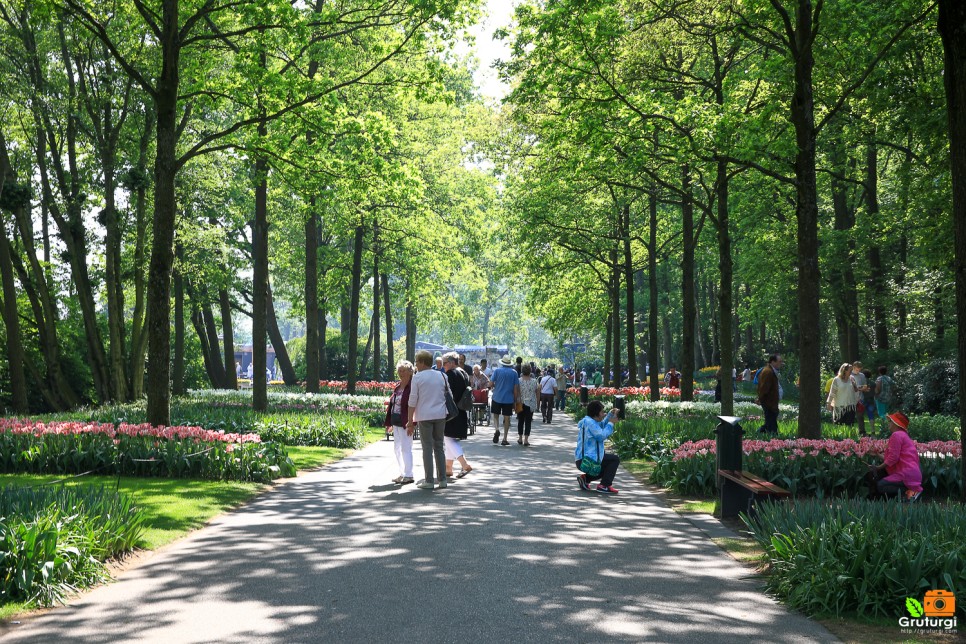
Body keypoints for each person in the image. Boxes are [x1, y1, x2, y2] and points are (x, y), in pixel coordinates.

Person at [407, 350, 449, 490]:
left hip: (424, 416)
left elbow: (412, 400)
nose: (416, 364)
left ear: (423, 362)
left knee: (427, 448)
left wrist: (409, 421)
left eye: (417, 361)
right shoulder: (442, 375)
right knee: (439, 447)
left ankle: (429, 480)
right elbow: (448, 394)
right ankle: (442, 479)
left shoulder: (417, 378)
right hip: (440, 414)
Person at [870, 411, 922, 502]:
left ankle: (912, 492)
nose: (888, 423)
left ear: (896, 423)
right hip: (911, 473)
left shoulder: (896, 435)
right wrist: (878, 455)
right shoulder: (904, 435)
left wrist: (877, 468)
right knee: (882, 484)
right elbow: (892, 458)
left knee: (881, 486)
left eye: (890, 421)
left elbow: (893, 459)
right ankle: (910, 493)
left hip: (906, 474)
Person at [575, 400, 620, 494]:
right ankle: (604, 485)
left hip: (584, 459)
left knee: (607, 463)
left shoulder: (588, 421)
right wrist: (611, 423)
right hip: (587, 459)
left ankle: (586, 479)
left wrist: (609, 416)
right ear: (596, 413)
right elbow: (601, 436)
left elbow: (601, 426)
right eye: (602, 412)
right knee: (614, 460)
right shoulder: (590, 423)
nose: (603, 414)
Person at [442, 353, 473, 478]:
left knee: (448, 438)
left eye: (444, 363)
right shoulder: (463, 373)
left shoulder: (450, 375)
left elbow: (447, 395)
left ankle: (464, 464)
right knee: (450, 438)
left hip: (451, 412)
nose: (443, 366)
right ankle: (448, 468)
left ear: (451, 362)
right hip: (460, 411)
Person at [384, 360, 415, 485]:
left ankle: (409, 474)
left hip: (406, 421)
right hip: (395, 420)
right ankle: (402, 473)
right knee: (397, 448)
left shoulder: (412, 386)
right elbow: (393, 404)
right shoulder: (398, 387)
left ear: (410, 372)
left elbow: (413, 405)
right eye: (399, 371)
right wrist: (389, 423)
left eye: (403, 371)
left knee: (406, 448)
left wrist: (411, 422)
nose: (401, 373)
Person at [490, 355, 521, 446]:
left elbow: (491, 383)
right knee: (507, 418)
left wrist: (495, 386)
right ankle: (505, 439)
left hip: (497, 397)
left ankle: (497, 429)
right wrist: (515, 401)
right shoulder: (514, 373)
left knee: (495, 415)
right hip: (508, 399)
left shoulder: (497, 371)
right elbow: (515, 388)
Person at [756, 354, 784, 435]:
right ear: (773, 362)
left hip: (771, 402)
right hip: (769, 403)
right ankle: (769, 437)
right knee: (771, 425)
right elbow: (764, 388)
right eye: (779, 362)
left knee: (770, 423)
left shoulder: (771, 371)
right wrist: (760, 398)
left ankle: (763, 434)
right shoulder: (768, 372)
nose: (781, 363)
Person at [516, 364, 539, 445]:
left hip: (520, 403)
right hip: (530, 403)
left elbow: (516, 392)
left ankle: (520, 438)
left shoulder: (518, 380)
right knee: (528, 421)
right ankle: (526, 439)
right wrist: (538, 403)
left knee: (520, 421)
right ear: (530, 371)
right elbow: (537, 393)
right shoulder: (534, 381)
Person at [851, 362, 871, 436]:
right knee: (850, 416)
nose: (858, 370)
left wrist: (863, 388)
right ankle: (851, 432)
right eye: (857, 368)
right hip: (851, 398)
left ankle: (862, 432)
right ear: (853, 366)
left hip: (860, 399)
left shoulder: (862, 375)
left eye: (859, 369)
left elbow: (864, 386)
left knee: (860, 416)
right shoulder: (849, 375)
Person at [874, 366, 893, 433]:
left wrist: (875, 394)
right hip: (888, 398)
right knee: (886, 413)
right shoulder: (889, 378)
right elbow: (893, 387)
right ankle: (887, 427)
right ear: (886, 371)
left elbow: (877, 388)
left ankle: (885, 427)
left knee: (881, 414)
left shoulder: (879, 378)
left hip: (880, 398)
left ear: (879, 372)